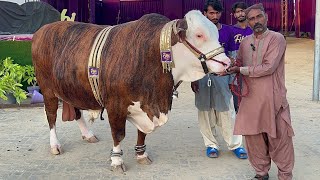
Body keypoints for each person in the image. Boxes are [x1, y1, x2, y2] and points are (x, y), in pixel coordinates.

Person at [228, 3, 295, 180]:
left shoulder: (277, 38)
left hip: (273, 98)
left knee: (279, 138)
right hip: (250, 99)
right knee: (253, 137)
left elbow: (269, 67)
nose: (256, 21)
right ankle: (261, 173)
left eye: (259, 17)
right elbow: (239, 62)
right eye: (252, 18)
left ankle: (285, 175)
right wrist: (230, 66)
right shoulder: (245, 42)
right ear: (248, 22)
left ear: (265, 17)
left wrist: (241, 70)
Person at [191, 0, 247, 159]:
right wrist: (193, 79)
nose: (215, 16)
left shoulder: (228, 31)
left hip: (222, 77)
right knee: (205, 113)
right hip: (202, 78)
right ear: (204, 14)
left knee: (227, 111)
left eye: (217, 13)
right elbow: (192, 58)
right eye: (211, 13)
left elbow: (232, 57)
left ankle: (235, 145)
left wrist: (231, 79)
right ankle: (211, 145)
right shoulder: (196, 34)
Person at [231, 2, 253, 112]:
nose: (240, 14)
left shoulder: (254, 29)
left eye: (242, 10)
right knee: (237, 94)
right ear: (234, 15)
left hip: (252, 67)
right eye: (237, 12)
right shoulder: (231, 31)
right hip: (237, 68)